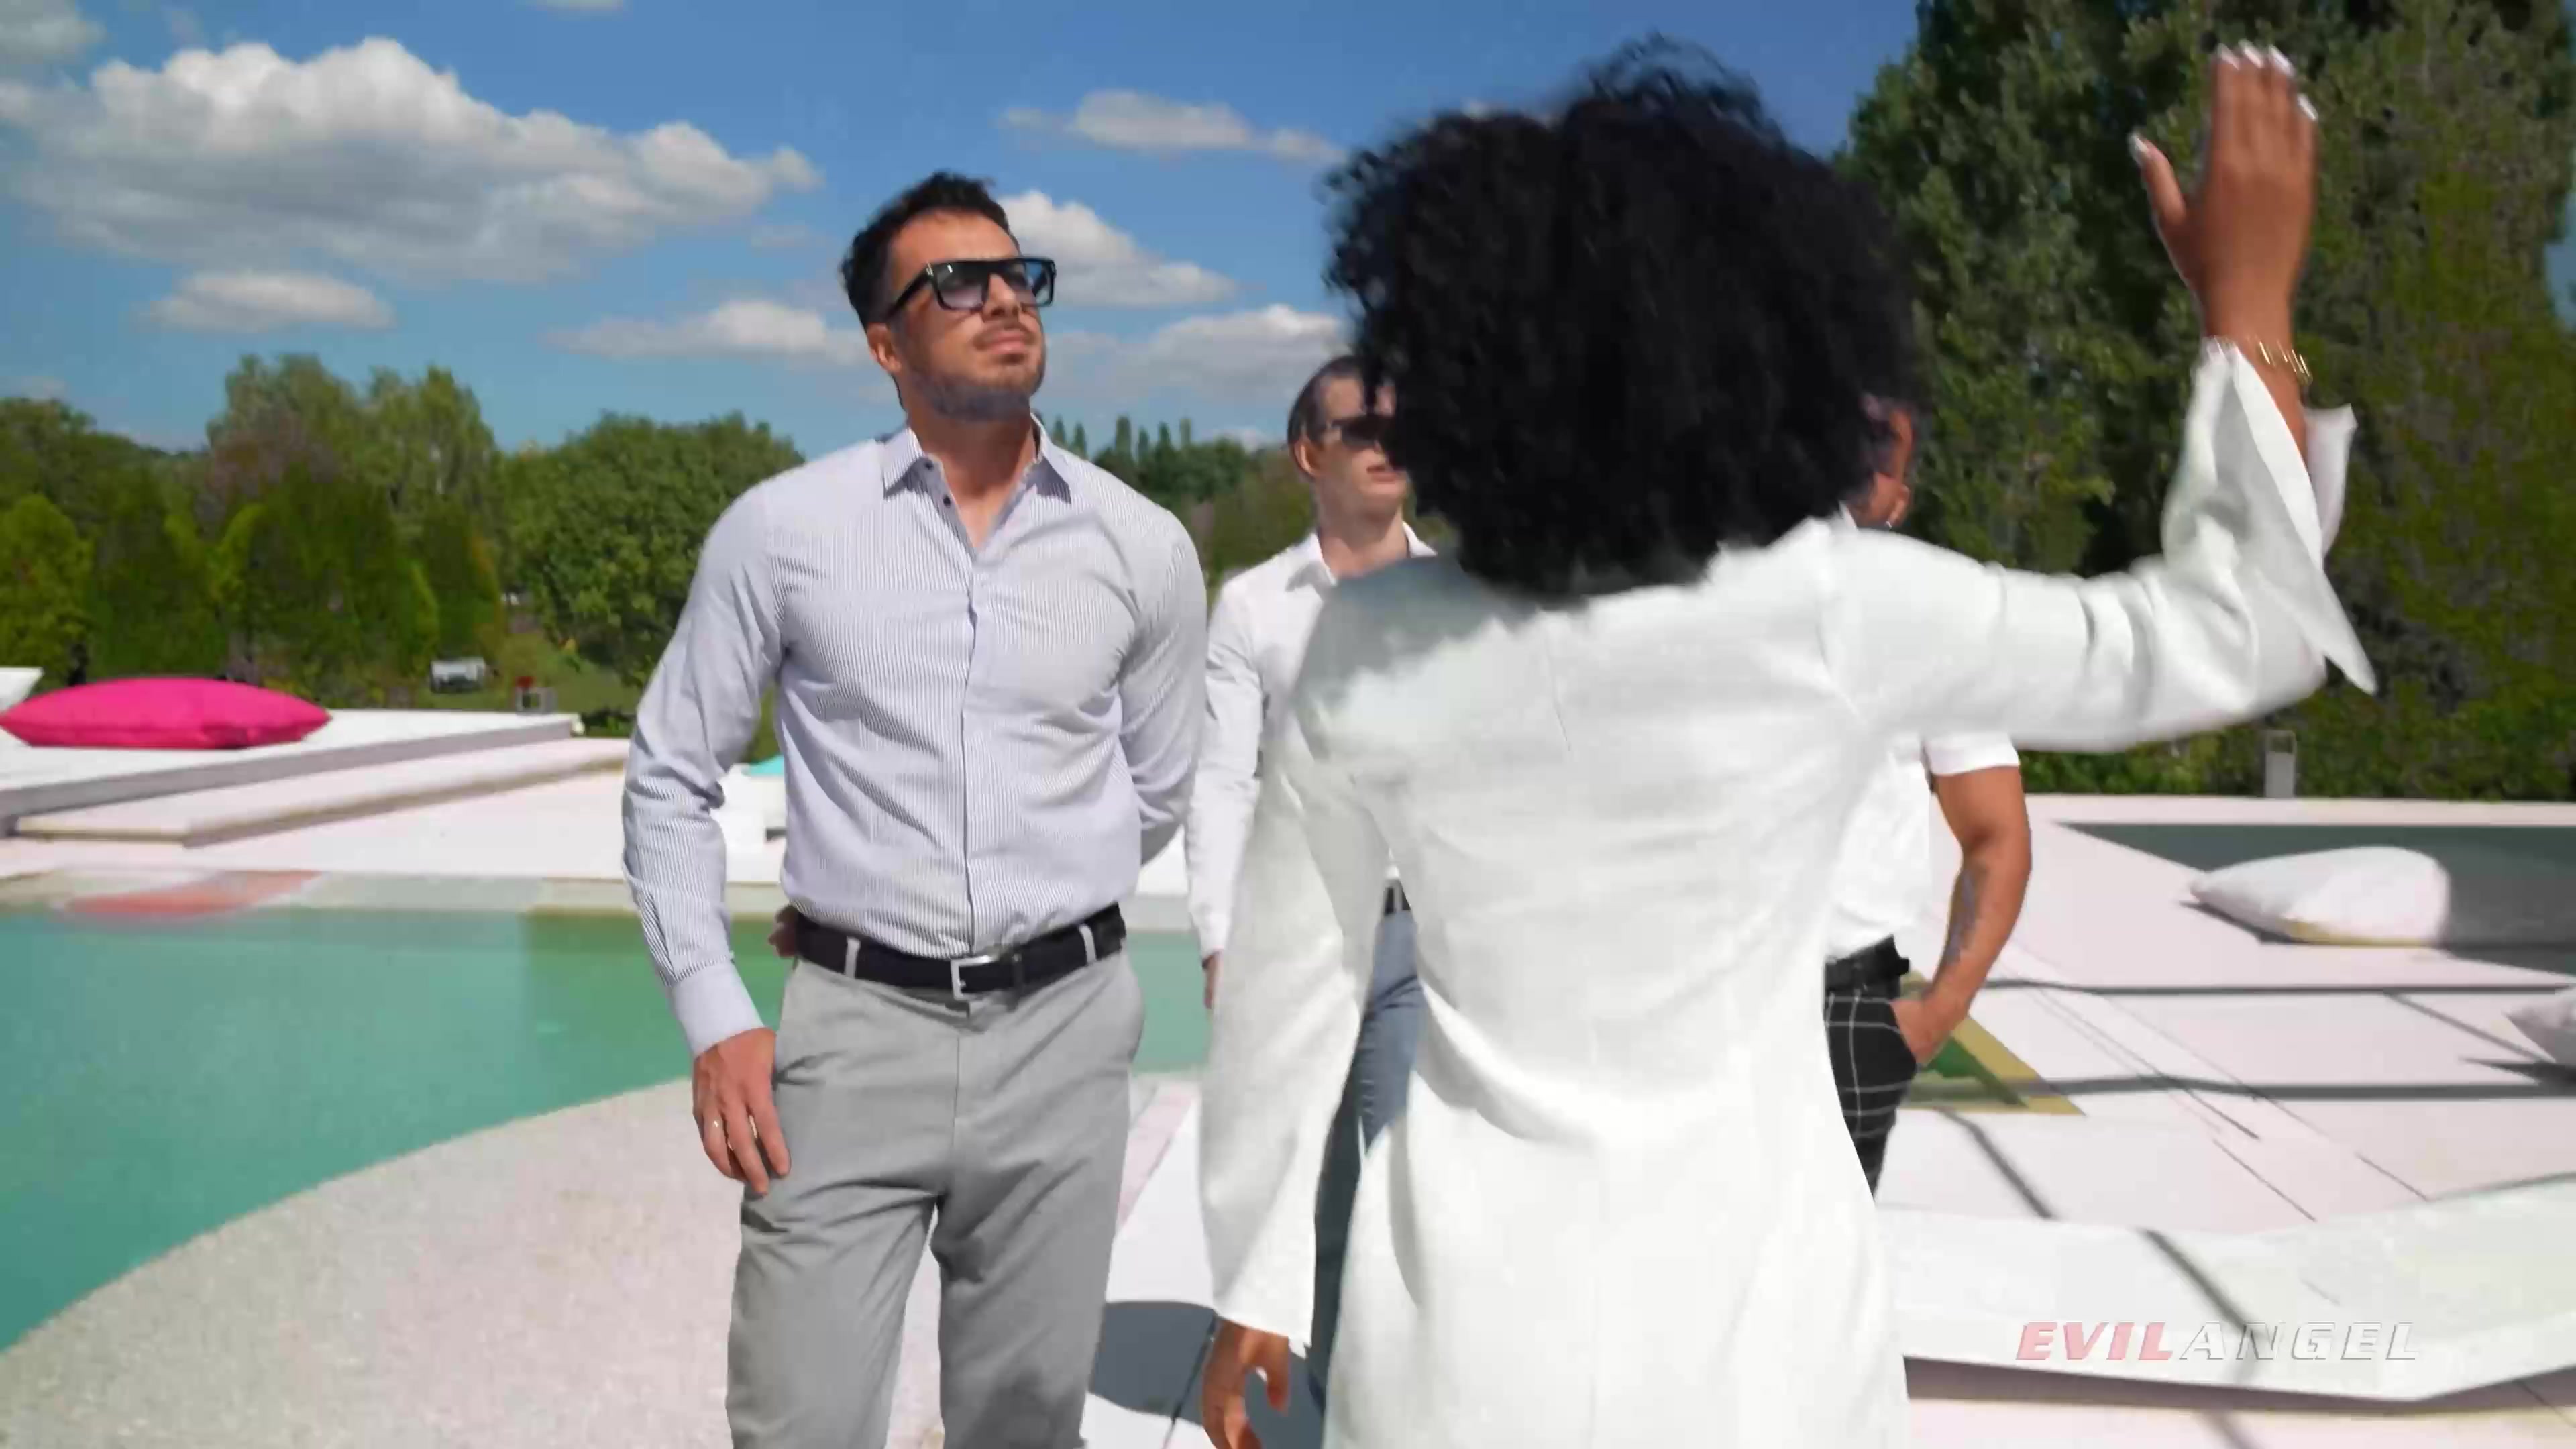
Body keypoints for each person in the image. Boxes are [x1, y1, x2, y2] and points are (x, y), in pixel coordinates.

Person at [1197, 38, 2365, 1448]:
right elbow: (2241, 630)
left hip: (1462, 1343)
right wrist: (2248, 311)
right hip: (1762, 1339)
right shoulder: (1830, 607)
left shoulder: (1374, 642)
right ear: (1768, 356)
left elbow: (1291, 985)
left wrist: (1257, 1279)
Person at [621, 170, 1205, 1448]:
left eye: (1019, 275)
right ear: (886, 345)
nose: (1004, 299)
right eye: (957, 283)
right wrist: (716, 1013)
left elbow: (1160, 783)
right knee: (801, 1422)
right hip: (852, 1034)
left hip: (1065, 1038)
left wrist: (1040, 899)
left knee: (1021, 1429)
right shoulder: (784, 533)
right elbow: (669, 772)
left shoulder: (1144, 546)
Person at [1185, 355, 1433, 1406]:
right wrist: (1219, 939)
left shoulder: (1463, 598)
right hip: (1298, 940)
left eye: (1399, 425)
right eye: (1359, 427)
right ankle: (1338, 1405)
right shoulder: (1253, 607)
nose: (1385, 443)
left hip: (1425, 940)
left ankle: (1413, 1407)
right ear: (1308, 454)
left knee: (1414, 1191)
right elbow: (1221, 782)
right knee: (1315, 1198)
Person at [1822, 401, 2034, 1193]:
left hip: (1843, 1007)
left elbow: (1996, 836)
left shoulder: (1928, 625)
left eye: (1885, 450)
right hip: (1692, 997)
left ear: (1900, 500)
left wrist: (1936, 1015)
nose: (1862, 455)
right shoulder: (1686, 588)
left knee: (1826, 1259)